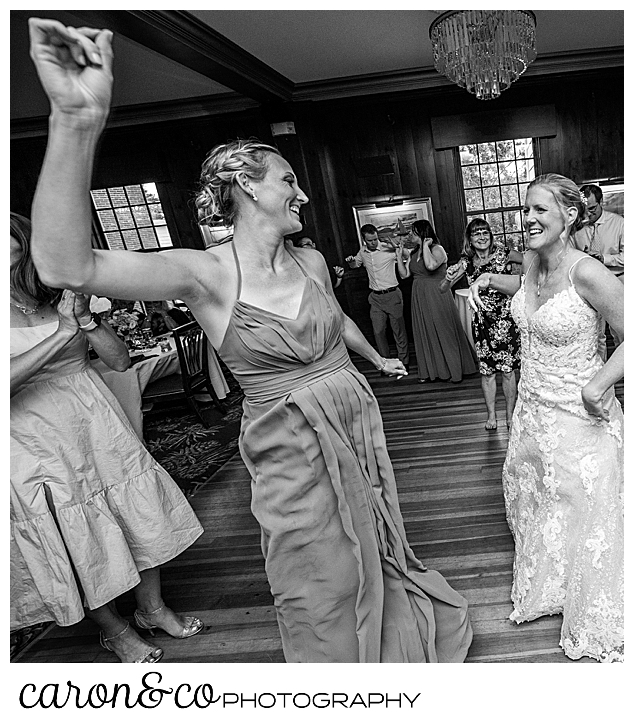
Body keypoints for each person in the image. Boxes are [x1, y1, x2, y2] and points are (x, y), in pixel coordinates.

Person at [25, 18, 472, 663]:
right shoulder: (201, 275)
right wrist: (75, 120)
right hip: (284, 433)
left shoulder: (311, 262)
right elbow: (65, 266)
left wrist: (375, 359)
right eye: (288, 179)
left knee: (371, 538)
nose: (301, 191)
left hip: (352, 412)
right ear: (246, 187)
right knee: (313, 564)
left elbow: (338, 325)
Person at [468, 174, 624, 663]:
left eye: (539, 210)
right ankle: (555, 577)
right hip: (532, 406)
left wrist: (599, 385)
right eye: (524, 210)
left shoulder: (590, 272)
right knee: (546, 493)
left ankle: (595, 588)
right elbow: (528, 294)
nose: (527, 219)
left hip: (580, 410)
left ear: (569, 216)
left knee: (584, 498)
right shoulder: (531, 262)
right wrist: (492, 279)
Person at [10, 212, 204, 664]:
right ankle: (115, 631)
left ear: (23, 241)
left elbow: (119, 361)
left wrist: (86, 321)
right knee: (70, 531)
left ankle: (152, 609)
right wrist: (62, 333)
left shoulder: (57, 294)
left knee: (133, 513)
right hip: (31, 436)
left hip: (95, 420)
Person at [446, 218, 521, 430]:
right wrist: (448, 275)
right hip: (482, 323)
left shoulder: (503, 253)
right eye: (476, 233)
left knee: (507, 371)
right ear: (469, 239)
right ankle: (491, 417)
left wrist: (519, 280)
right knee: (487, 372)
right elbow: (444, 287)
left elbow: (529, 261)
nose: (481, 236)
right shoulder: (466, 262)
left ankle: (509, 415)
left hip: (506, 321)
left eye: (485, 232)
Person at [574, 183, 624, 387]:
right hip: (590, 285)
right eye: (584, 210)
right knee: (596, 332)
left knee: (620, 330)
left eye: (592, 209)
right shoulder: (576, 228)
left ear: (601, 202)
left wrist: (604, 258)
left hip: (617, 281)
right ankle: (600, 375)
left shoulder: (618, 223)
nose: (588, 214)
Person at [404, 219, 477, 383]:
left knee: (444, 330)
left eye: (413, 232)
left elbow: (430, 266)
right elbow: (405, 274)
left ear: (422, 234)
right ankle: (433, 370)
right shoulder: (413, 253)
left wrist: (425, 246)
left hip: (437, 293)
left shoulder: (438, 249)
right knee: (426, 330)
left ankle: (455, 369)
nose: (410, 235)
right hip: (419, 295)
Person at [345, 224, 408, 370]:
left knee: (398, 331)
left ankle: (403, 362)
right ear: (364, 239)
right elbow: (356, 264)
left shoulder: (387, 247)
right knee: (378, 331)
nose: (373, 242)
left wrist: (398, 248)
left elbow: (406, 255)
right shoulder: (363, 251)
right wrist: (351, 262)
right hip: (375, 297)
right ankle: (385, 363)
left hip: (392, 295)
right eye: (370, 240)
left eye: (375, 239)